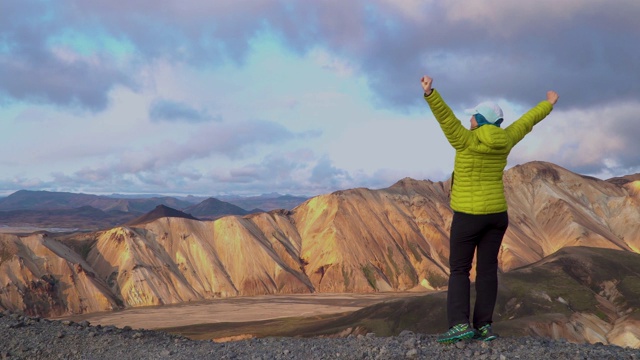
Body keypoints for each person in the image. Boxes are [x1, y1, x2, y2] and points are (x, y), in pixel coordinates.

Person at [420, 75, 559, 343]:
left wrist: (429, 93)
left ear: (481, 120)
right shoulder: (505, 139)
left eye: (473, 115)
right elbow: (527, 122)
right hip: (496, 216)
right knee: (487, 270)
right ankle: (484, 326)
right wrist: (548, 104)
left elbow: (445, 118)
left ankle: (460, 324)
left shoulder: (465, 140)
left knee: (459, 269)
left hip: (468, 216)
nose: (469, 119)